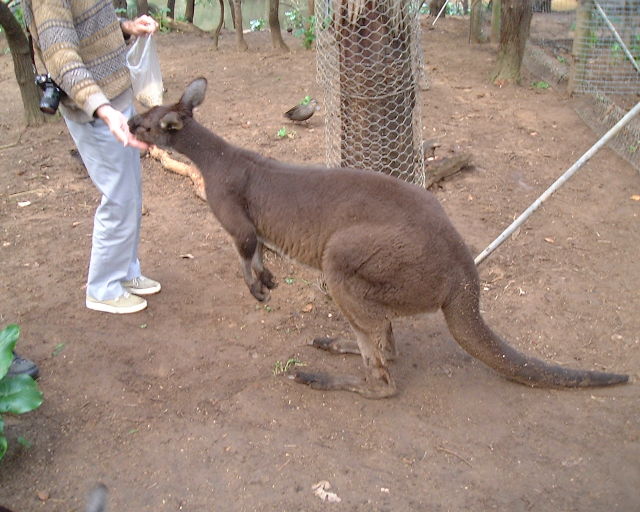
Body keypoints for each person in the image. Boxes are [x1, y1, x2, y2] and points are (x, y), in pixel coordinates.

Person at [23, 0, 161, 314]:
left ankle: (125, 271)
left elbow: (88, 25)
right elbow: (61, 56)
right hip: (97, 112)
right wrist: (103, 109)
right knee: (119, 198)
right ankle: (103, 288)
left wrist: (126, 28)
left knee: (131, 194)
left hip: (116, 101)